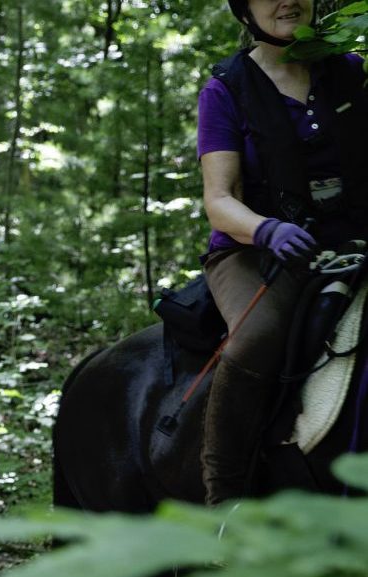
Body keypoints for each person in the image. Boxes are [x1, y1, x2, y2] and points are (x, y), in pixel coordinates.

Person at [196, 0, 367, 504]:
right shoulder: (226, 88)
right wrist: (266, 229)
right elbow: (219, 199)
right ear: (245, 8)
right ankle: (224, 504)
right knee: (255, 341)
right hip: (258, 250)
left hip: (354, 238)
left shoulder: (352, 71)